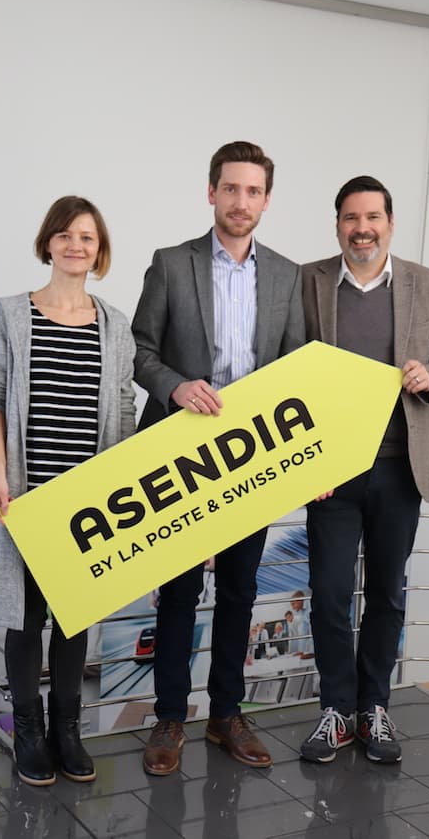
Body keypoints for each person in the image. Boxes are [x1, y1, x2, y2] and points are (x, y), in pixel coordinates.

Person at [132, 140, 305, 774]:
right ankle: (170, 718)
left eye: (253, 191)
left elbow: (295, 368)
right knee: (178, 593)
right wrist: (176, 387)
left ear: (266, 200)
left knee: (238, 589)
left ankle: (226, 714)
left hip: (250, 459)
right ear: (211, 192)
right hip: (180, 455)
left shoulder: (287, 275)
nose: (241, 201)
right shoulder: (171, 264)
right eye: (230, 188)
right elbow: (141, 352)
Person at [300, 175, 429, 765]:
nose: (362, 229)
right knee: (328, 593)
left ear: (390, 224)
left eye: (372, 217)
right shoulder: (308, 282)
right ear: (338, 225)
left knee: (387, 595)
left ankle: (374, 707)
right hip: (330, 472)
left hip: (399, 468)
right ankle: (335, 710)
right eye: (351, 218)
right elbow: (288, 369)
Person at [0, 196, 136, 786]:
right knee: (25, 618)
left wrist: (120, 487)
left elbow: (123, 406)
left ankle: (68, 731)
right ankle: (28, 731)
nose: (76, 245)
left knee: (74, 616)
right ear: (48, 242)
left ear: (100, 251)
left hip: (87, 502)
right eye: (65, 235)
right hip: (26, 495)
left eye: (87, 237)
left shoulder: (114, 324)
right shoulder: (11, 313)